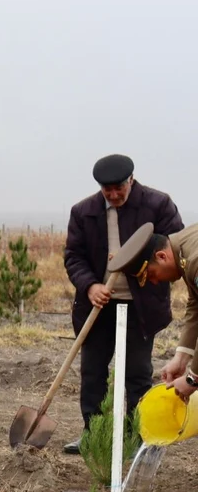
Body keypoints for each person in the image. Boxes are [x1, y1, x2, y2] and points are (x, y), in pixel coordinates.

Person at [62, 154, 183, 453]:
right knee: (92, 372)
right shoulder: (83, 212)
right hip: (99, 305)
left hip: (142, 306)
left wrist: (133, 261)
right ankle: (94, 435)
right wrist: (90, 285)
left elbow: (173, 248)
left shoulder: (158, 205)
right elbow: (73, 256)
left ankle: (136, 436)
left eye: (119, 188)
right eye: (107, 190)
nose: (114, 194)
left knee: (137, 373)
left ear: (131, 180)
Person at [114, 224, 198, 402]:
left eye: (150, 274)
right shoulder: (183, 247)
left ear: (161, 256)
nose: (154, 281)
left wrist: (193, 378)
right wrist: (181, 358)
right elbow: (195, 305)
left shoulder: (194, 259)